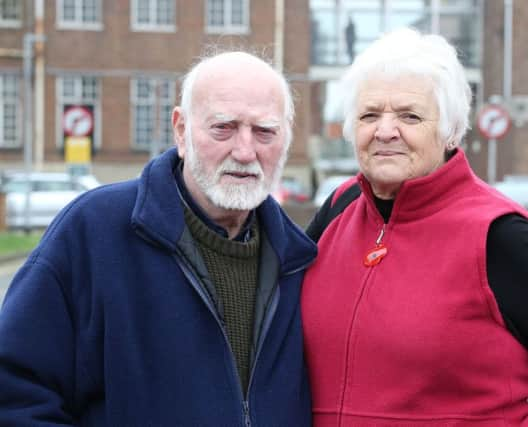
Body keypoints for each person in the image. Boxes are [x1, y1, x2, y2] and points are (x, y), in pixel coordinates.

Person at [301, 28, 528, 427]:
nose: (385, 130)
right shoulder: (339, 208)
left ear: (450, 131)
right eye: (370, 114)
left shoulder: (499, 235)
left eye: (409, 115)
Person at [0, 51, 317, 426]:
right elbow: (16, 393)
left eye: (264, 131)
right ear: (181, 131)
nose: (245, 151)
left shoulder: (301, 263)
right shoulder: (94, 232)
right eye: (223, 128)